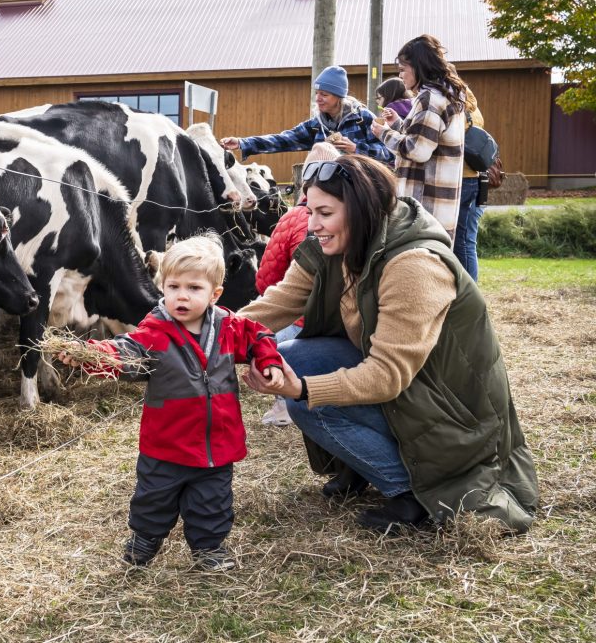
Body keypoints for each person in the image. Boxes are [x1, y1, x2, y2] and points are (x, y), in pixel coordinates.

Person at [237, 154, 538, 535]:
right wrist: (198, 335)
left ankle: (414, 489)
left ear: (361, 211)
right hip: (412, 390)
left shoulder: (414, 265)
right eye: (309, 210)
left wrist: (303, 389)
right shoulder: (342, 244)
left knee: (303, 390)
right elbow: (274, 305)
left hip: (449, 408)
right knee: (296, 355)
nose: (312, 226)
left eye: (324, 213)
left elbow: (388, 375)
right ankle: (368, 466)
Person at [58, 233, 284, 569]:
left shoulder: (227, 328)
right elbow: (123, 352)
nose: (182, 296)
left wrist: (269, 361)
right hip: (167, 445)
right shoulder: (154, 334)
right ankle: (145, 539)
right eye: (174, 286)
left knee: (213, 502)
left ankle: (209, 548)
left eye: (194, 289)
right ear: (162, 286)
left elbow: (259, 336)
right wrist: (91, 356)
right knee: (154, 499)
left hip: (216, 444)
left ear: (214, 293)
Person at [256, 142, 342, 427]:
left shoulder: (293, 217)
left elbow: (266, 278)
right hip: (340, 327)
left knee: (275, 348)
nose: (317, 224)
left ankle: (283, 406)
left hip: (300, 323)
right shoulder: (351, 217)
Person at [371, 35, 467, 239]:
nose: (401, 75)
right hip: (439, 205)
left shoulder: (430, 99)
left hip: (425, 206)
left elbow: (418, 150)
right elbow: (427, 138)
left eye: (403, 69)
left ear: (418, 67)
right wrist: (397, 123)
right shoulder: (444, 95)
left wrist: (384, 134)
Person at [220, 66, 394, 165]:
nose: (318, 99)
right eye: (317, 93)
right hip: (329, 189)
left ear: (339, 97)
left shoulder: (364, 118)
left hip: (362, 190)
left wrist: (356, 149)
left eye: (324, 94)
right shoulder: (316, 125)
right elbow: (283, 140)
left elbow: (391, 155)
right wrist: (242, 142)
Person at [455, 87, 487, 281]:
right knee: (467, 241)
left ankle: (470, 296)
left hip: (464, 177)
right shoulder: (473, 107)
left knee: (463, 243)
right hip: (476, 178)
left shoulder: (459, 109)